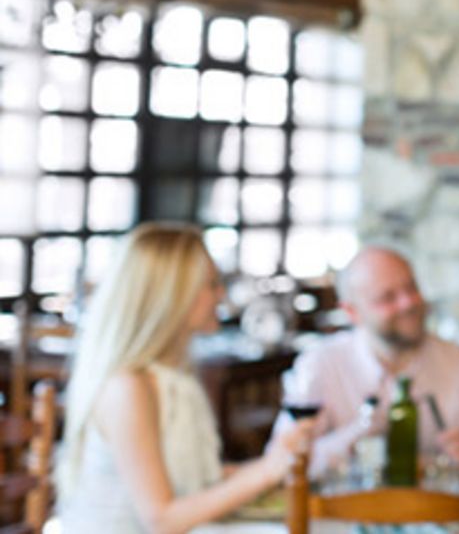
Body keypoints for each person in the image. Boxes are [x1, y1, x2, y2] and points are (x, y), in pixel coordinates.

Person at [56, 223, 314, 533]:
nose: (221, 295)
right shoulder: (128, 386)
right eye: (211, 284)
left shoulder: (173, 376)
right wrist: (265, 471)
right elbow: (161, 519)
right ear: (172, 294)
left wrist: (275, 462)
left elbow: (197, 480)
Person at [270, 245, 459, 479]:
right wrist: (357, 433)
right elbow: (279, 465)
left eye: (411, 288)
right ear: (352, 312)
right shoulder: (320, 365)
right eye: (387, 298)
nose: (408, 303)